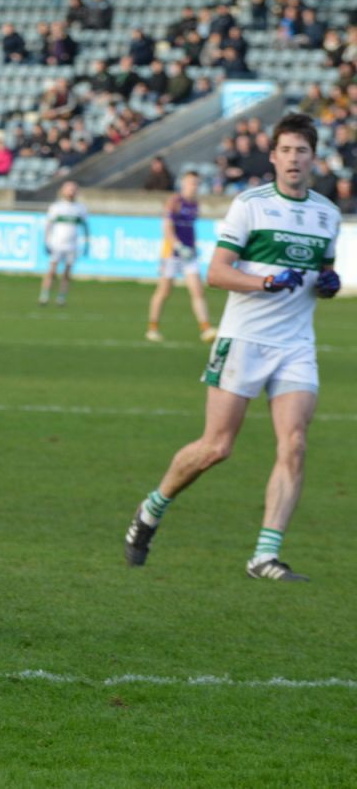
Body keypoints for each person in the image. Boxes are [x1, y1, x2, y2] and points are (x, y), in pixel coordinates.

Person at [124, 113, 342, 581]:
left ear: (313, 157)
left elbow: (323, 276)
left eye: (301, 151)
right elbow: (217, 272)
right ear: (273, 156)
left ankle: (264, 555)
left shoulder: (326, 214)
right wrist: (264, 280)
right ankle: (151, 509)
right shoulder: (251, 205)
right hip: (244, 339)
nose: (293, 159)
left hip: (296, 344)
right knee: (216, 447)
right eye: (285, 150)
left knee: (296, 442)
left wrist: (329, 284)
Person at [145, 172, 218, 343]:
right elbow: (167, 228)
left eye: (197, 183)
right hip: (172, 253)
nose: (195, 186)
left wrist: (192, 246)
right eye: (192, 183)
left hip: (189, 254)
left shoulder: (195, 204)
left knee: (197, 290)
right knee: (164, 291)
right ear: (183, 183)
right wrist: (178, 246)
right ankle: (153, 328)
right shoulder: (174, 202)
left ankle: (205, 328)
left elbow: (190, 229)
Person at [39, 180, 89, 306]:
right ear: (63, 191)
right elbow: (48, 225)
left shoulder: (80, 208)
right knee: (52, 271)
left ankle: (61, 298)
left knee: (67, 273)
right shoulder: (57, 207)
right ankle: (44, 296)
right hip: (57, 244)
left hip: (72, 245)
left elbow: (85, 226)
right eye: (69, 189)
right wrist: (46, 241)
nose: (71, 192)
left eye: (74, 189)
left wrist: (86, 244)